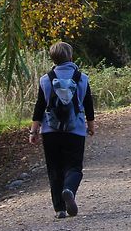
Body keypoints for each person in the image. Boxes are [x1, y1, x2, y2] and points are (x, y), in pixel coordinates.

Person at [29, 41, 95, 219]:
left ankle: (60, 209)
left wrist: (33, 131)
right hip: (75, 130)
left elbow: (39, 106)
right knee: (74, 166)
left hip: (50, 131)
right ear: (71, 56)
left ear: (53, 58)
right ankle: (69, 190)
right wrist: (91, 125)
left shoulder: (45, 79)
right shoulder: (82, 78)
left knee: (54, 168)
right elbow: (88, 104)